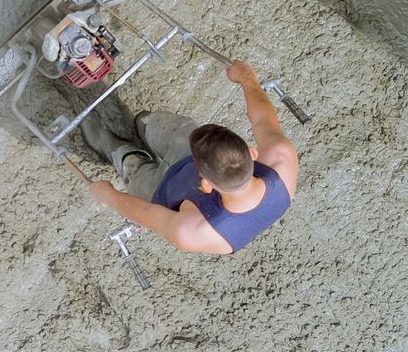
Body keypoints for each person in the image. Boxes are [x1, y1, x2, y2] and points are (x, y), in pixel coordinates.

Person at [79, 60, 297, 255]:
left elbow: (145, 212)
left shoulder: (196, 232)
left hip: (161, 192)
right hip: (191, 155)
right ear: (251, 153)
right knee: (171, 128)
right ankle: (144, 124)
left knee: (132, 166)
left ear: (206, 184)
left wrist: (108, 195)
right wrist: (247, 78)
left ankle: (117, 149)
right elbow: (263, 118)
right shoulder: (281, 159)